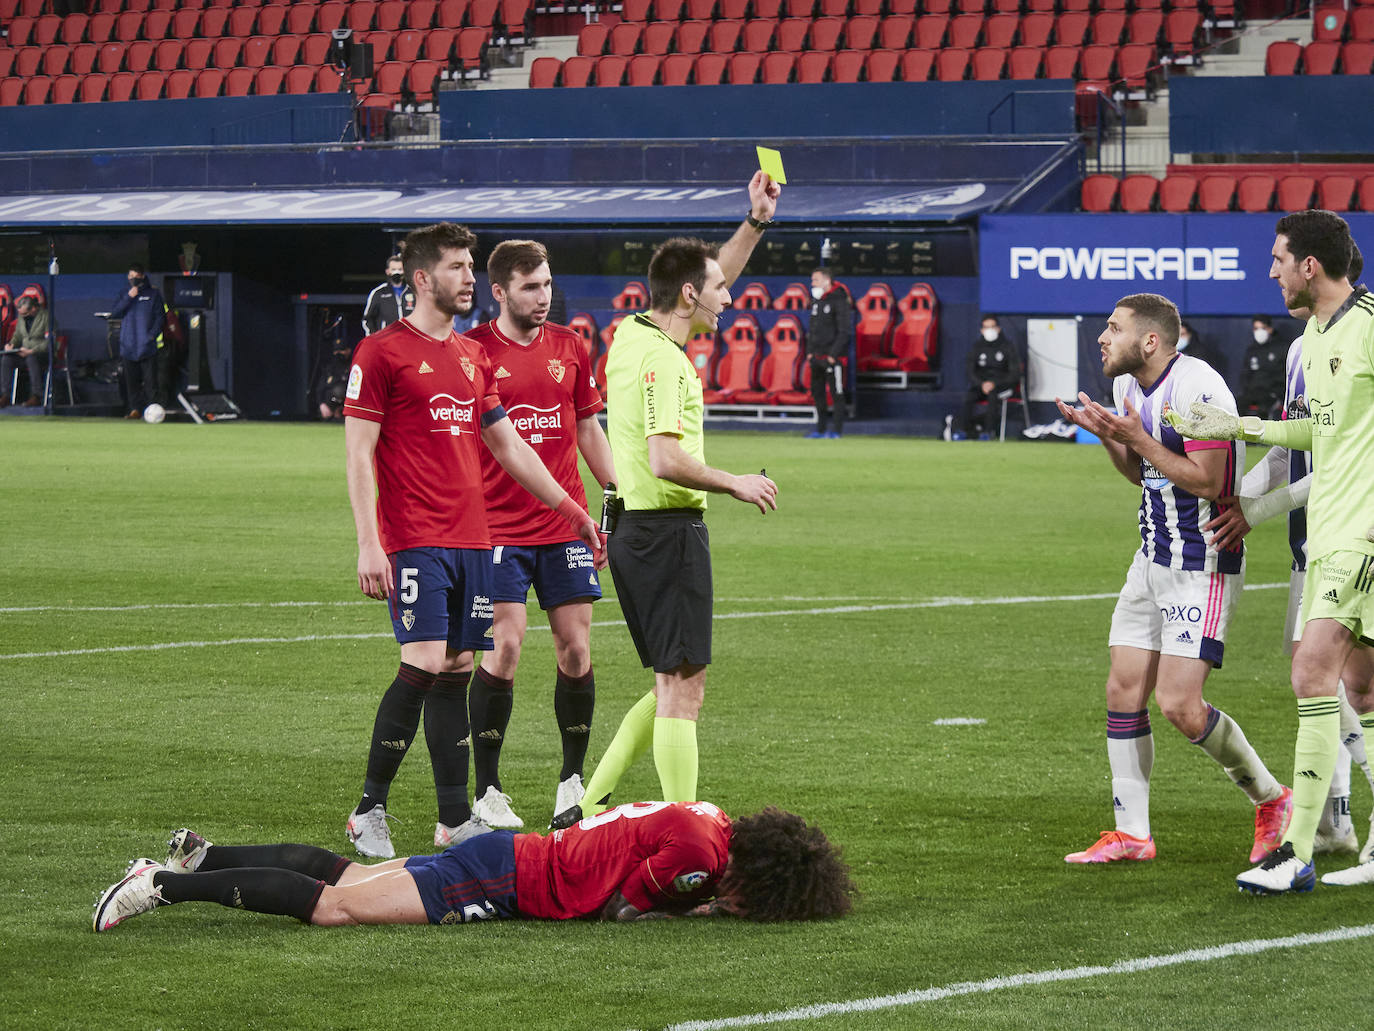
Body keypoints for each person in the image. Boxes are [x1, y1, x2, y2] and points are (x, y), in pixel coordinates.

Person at [342, 222, 604, 862]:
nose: (469, 278)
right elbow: (358, 453)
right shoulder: (379, 353)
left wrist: (572, 508)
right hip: (414, 536)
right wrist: (368, 541)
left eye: (470, 266)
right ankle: (368, 808)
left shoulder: (469, 356)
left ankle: (454, 817)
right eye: (459, 267)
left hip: (474, 539)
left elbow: (507, 443)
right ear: (423, 278)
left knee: (459, 666)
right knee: (427, 661)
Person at [551, 172, 781, 829]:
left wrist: (754, 222)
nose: (728, 295)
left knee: (666, 683)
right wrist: (734, 480)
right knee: (685, 686)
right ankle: (688, 830)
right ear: (688, 294)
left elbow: (707, 274)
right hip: (666, 531)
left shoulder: (634, 336)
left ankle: (585, 807)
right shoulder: (665, 363)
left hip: (637, 530)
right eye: (717, 290)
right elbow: (664, 458)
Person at [1167, 210, 1374, 892]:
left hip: (1360, 535)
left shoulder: (1370, 325)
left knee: (1311, 671)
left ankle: (1299, 849)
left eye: (1280, 258)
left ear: (1310, 265)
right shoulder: (1316, 336)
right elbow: (1322, 430)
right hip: (1327, 535)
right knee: (1363, 688)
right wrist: (1241, 425)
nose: (1272, 270)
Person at [1054, 292, 1293, 867]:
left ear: (1152, 340)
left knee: (1181, 705)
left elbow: (1208, 483)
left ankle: (1273, 799)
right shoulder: (1125, 387)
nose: (1102, 338)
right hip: (1151, 556)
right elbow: (1144, 475)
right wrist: (1113, 435)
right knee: (1122, 688)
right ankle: (1132, 833)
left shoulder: (1199, 387)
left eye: (1114, 328)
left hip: (1201, 560)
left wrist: (1132, 435)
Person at [92, 801, 855, 931]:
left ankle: (205, 855)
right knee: (337, 906)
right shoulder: (701, 856)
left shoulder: (712, 820)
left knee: (349, 879)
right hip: (508, 876)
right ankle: (160, 883)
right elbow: (627, 908)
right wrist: (701, 909)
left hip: (509, 855)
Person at [464, 239, 617, 829]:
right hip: (498, 525)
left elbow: (586, 426)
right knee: (505, 646)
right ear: (499, 291)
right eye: (530, 287)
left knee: (576, 649)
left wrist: (614, 490)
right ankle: (488, 789)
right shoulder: (473, 350)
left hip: (565, 523)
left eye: (548, 284)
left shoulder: (570, 347)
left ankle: (571, 783)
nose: (543, 297)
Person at [954, 315, 1022, 441]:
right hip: (981, 385)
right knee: (969, 396)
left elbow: (1014, 373)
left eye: (992, 327)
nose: (989, 330)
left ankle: (988, 432)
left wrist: (995, 383)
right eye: (986, 327)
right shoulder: (977, 347)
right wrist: (981, 384)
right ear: (981, 330)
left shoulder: (1008, 347)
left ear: (999, 329)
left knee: (993, 396)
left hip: (1001, 386)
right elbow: (970, 371)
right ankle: (963, 430)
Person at [110, 264, 165, 420]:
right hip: (128, 345)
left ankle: (153, 411)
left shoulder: (153, 294)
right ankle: (135, 410)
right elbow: (115, 313)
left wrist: (151, 336)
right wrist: (129, 297)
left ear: (142, 276)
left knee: (151, 383)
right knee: (131, 382)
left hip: (147, 347)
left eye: (136, 276)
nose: (133, 278)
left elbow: (161, 318)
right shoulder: (124, 293)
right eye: (130, 275)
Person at [804, 267, 850, 439]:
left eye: (815, 280)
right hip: (816, 356)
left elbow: (844, 331)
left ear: (826, 280)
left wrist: (833, 354)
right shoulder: (817, 301)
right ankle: (820, 429)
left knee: (836, 393)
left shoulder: (840, 300)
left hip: (833, 358)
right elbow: (813, 328)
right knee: (818, 394)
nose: (812, 284)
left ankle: (837, 431)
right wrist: (810, 352)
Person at [0, 287, 50, 408]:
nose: (22, 316)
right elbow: (17, 335)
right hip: (24, 352)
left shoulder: (46, 317)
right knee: (7, 358)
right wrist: (11, 344)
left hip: (41, 354)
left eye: (25, 314)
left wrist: (32, 350)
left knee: (31, 358)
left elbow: (49, 342)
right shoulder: (21, 319)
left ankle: (36, 396)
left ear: (33, 309)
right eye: (21, 314)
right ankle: (5, 395)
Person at [1236, 314, 1287, 418]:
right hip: (1253, 392)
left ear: (1270, 328)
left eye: (1262, 328)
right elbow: (1245, 374)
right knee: (1237, 405)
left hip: (1273, 393)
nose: (1259, 332)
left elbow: (1285, 375)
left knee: (1263, 410)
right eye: (1256, 328)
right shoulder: (1251, 350)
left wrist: (1276, 392)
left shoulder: (1282, 348)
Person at [361, 254, 415, 337]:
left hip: (410, 341)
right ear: (388, 271)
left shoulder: (414, 292)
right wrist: (374, 338)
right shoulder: (379, 293)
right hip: (386, 342)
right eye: (393, 269)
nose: (397, 272)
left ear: (404, 271)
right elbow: (367, 319)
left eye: (400, 269)